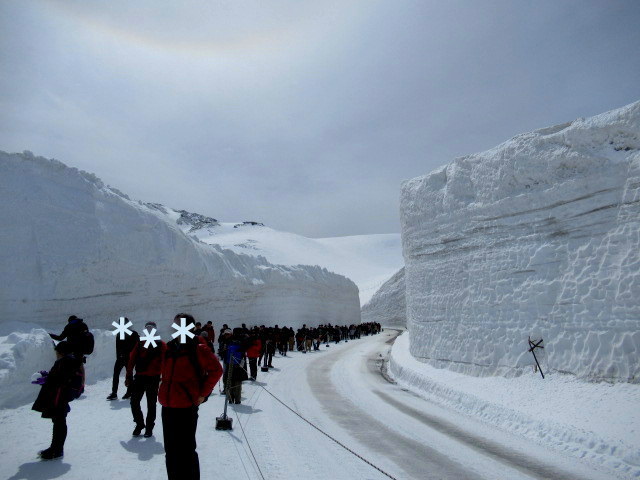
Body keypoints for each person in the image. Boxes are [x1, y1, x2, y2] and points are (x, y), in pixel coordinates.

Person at [159, 314, 223, 480]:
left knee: (186, 452)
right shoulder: (170, 347)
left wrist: (202, 394)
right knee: (171, 452)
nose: (173, 328)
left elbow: (216, 370)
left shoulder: (198, 348)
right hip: (167, 406)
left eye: (177, 325)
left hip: (186, 407)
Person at [32, 341, 83, 460]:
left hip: (59, 397)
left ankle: (57, 449)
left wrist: (46, 379)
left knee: (59, 422)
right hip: (61, 396)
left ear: (61, 352)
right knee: (59, 422)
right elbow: (61, 377)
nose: (56, 354)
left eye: (57, 351)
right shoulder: (69, 360)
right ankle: (55, 448)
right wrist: (48, 376)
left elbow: (60, 379)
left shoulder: (66, 361)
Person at [126, 321, 166, 437]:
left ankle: (147, 426)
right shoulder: (142, 343)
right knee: (139, 402)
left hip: (151, 377)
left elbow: (165, 362)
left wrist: (165, 377)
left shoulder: (160, 345)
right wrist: (129, 375)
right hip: (142, 377)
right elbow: (132, 359)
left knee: (148, 403)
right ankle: (141, 424)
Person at [107, 317, 139, 400]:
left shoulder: (131, 334)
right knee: (119, 374)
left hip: (128, 358)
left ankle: (128, 392)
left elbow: (136, 346)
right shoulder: (122, 334)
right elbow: (119, 347)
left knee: (126, 375)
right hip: (122, 358)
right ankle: (117, 393)